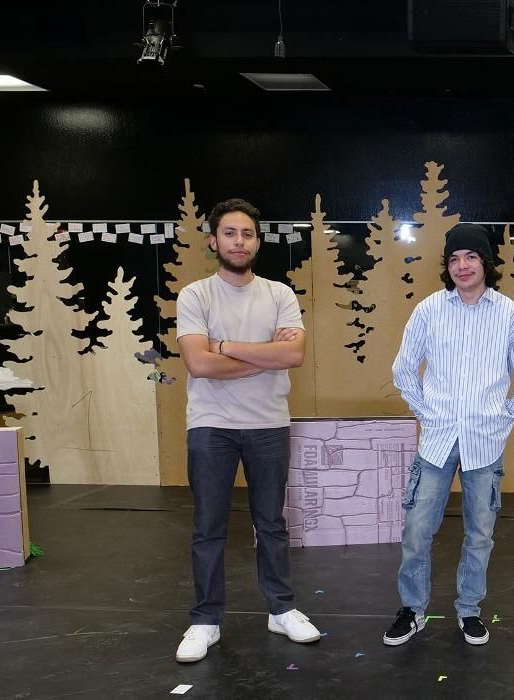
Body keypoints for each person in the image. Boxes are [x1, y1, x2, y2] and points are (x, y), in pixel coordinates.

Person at [383, 223, 514, 647]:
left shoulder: (509, 314)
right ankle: (413, 610)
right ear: (447, 266)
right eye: (454, 259)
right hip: (435, 443)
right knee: (417, 530)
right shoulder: (429, 310)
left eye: (471, 257)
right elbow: (403, 369)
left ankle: (469, 610)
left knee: (480, 534)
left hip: (484, 445)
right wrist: (427, 413)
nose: (462, 266)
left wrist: (505, 417)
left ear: (486, 263)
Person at [173, 198, 320, 663]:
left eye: (248, 234)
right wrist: (261, 356)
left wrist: (225, 348)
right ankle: (205, 620)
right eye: (230, 233)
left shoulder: (279, 295)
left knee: (271, 523)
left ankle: (281, 609)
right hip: (211, 427)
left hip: (268, 425)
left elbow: (292, 356)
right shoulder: (196, 295)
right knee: (209, 527)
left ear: (257, 241)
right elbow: (198, 363)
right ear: (214, 240)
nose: (240, 241)